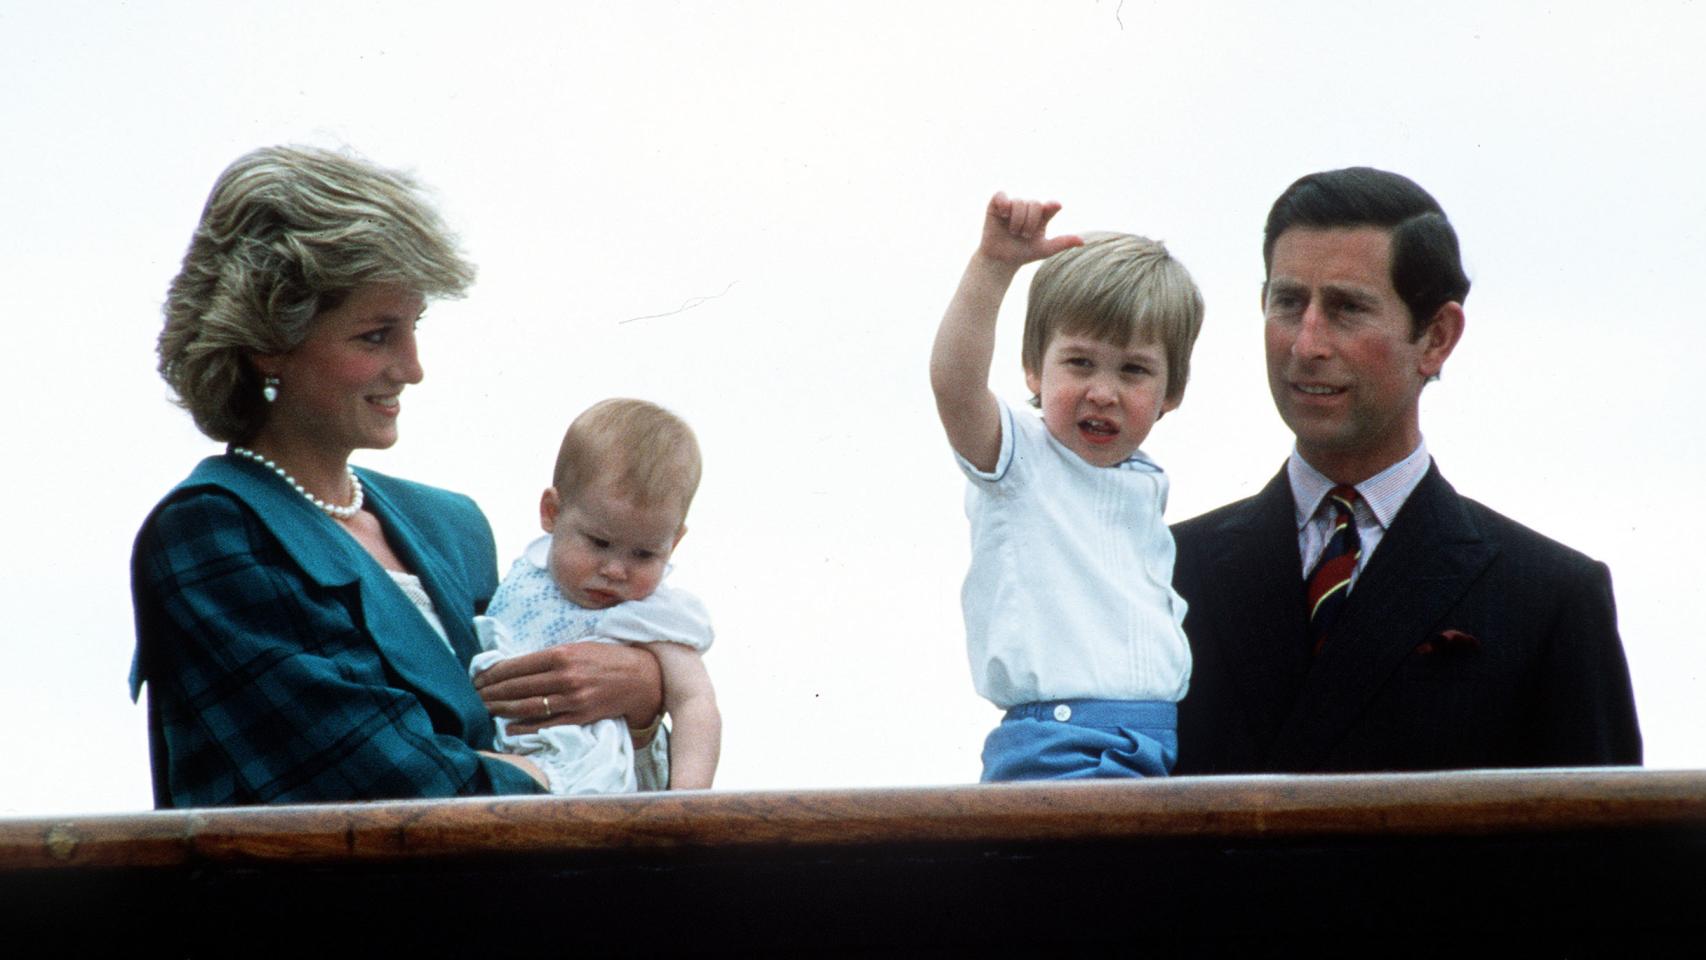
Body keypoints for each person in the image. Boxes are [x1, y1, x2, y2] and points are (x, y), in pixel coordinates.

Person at [130, 145, 664, 806]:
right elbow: (377, 785)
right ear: (269, 341)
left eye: (413, 327)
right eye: (376, 335)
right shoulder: (210, 531)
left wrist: (640, 698)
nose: (412, 368)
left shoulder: (453, 527)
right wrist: (554, 780)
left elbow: (562, 745)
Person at [1171, 167, 1642, 774]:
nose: (1306, 342)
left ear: (1437, 338)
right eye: (1288, 302)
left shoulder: (1549, 598)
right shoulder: (1163, 572)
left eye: (1346, 308)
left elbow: (1611, 862)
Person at [930, 192, 1204, 781]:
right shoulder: (1019, 459)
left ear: (1171, 392)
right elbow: (955, 384)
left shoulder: (1145, 482)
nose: (1102, 391)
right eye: (1080, 363)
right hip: (1060, 743)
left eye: (1132, 370)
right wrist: (993, 267)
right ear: (1035, 367)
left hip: (1154, 742)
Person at [471, 398, 720, 793]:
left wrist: (687, 803)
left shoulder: (651, 612)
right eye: (599, 542)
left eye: (644, 553)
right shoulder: (528, 575)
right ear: (551, 512)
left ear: (673, 543)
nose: (616, 570)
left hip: (584, 778)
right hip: (499, 744)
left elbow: (695, 703)